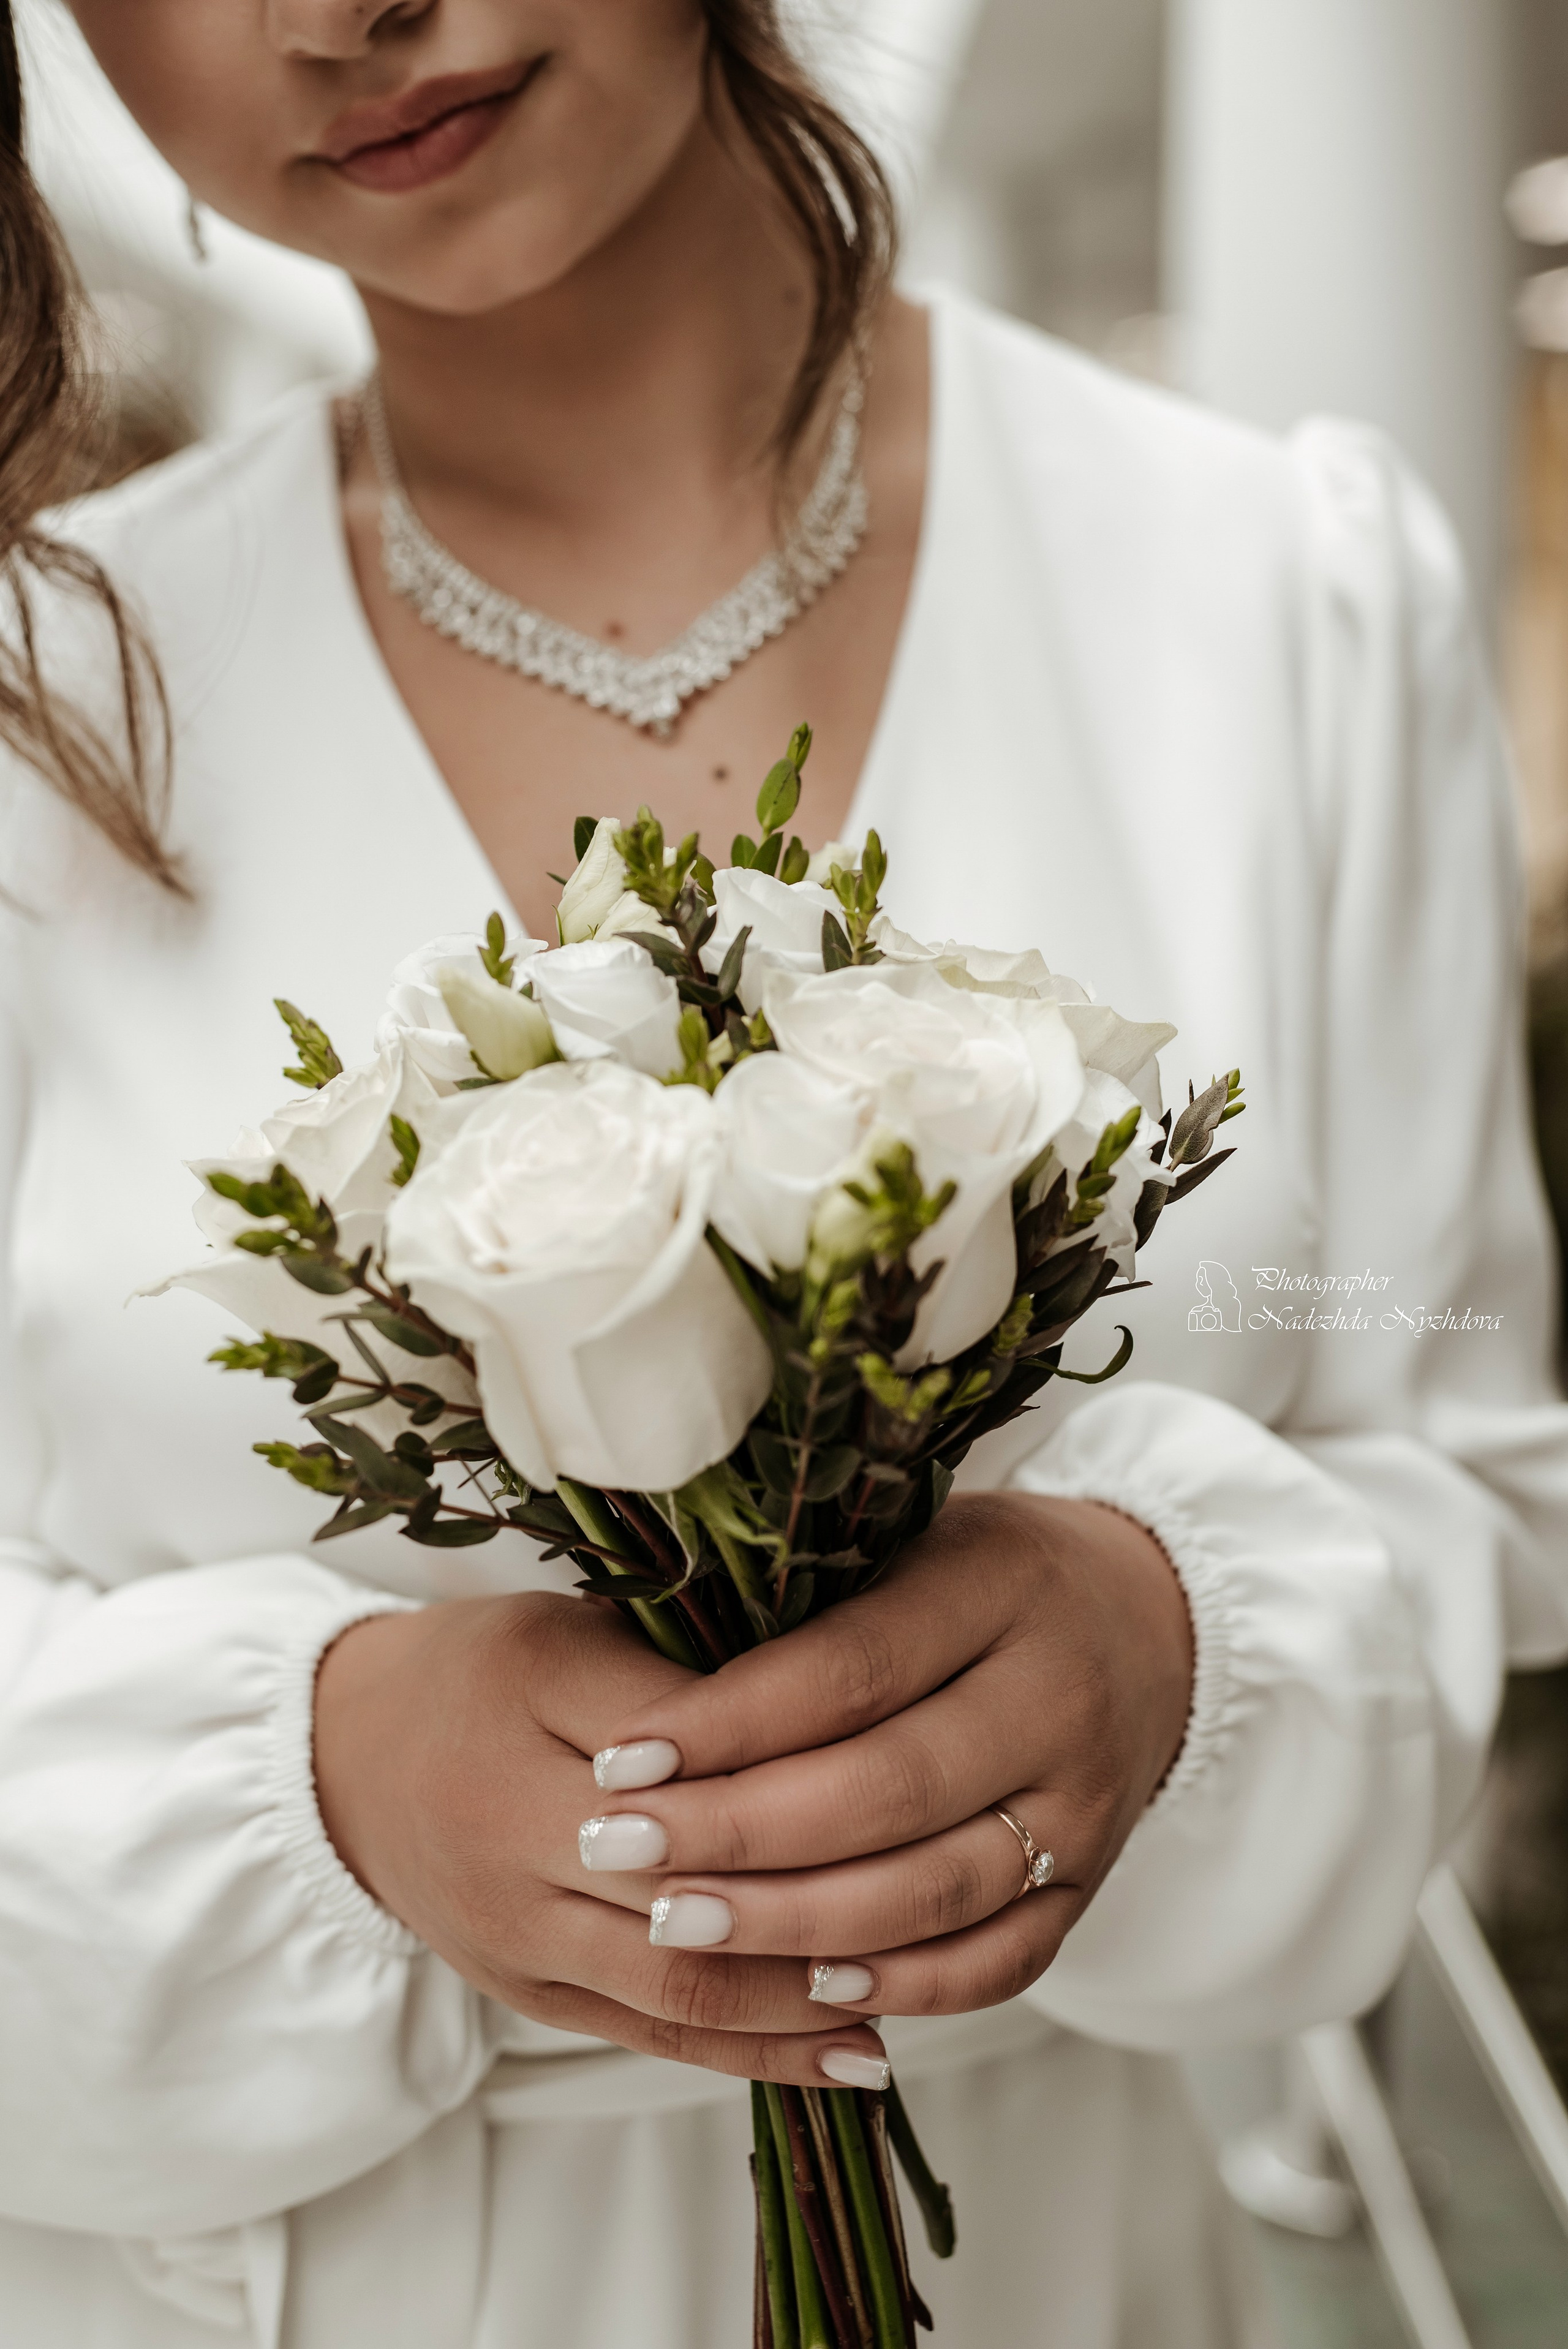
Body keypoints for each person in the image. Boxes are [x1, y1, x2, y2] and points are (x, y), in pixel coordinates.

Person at [1, 4, 1565, 2344]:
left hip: (1059, 2258)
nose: (335, 11)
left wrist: (1177, 1640)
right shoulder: (43, 712)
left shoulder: (1282, 596)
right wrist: (323, 1780)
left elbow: (1462, 1483)